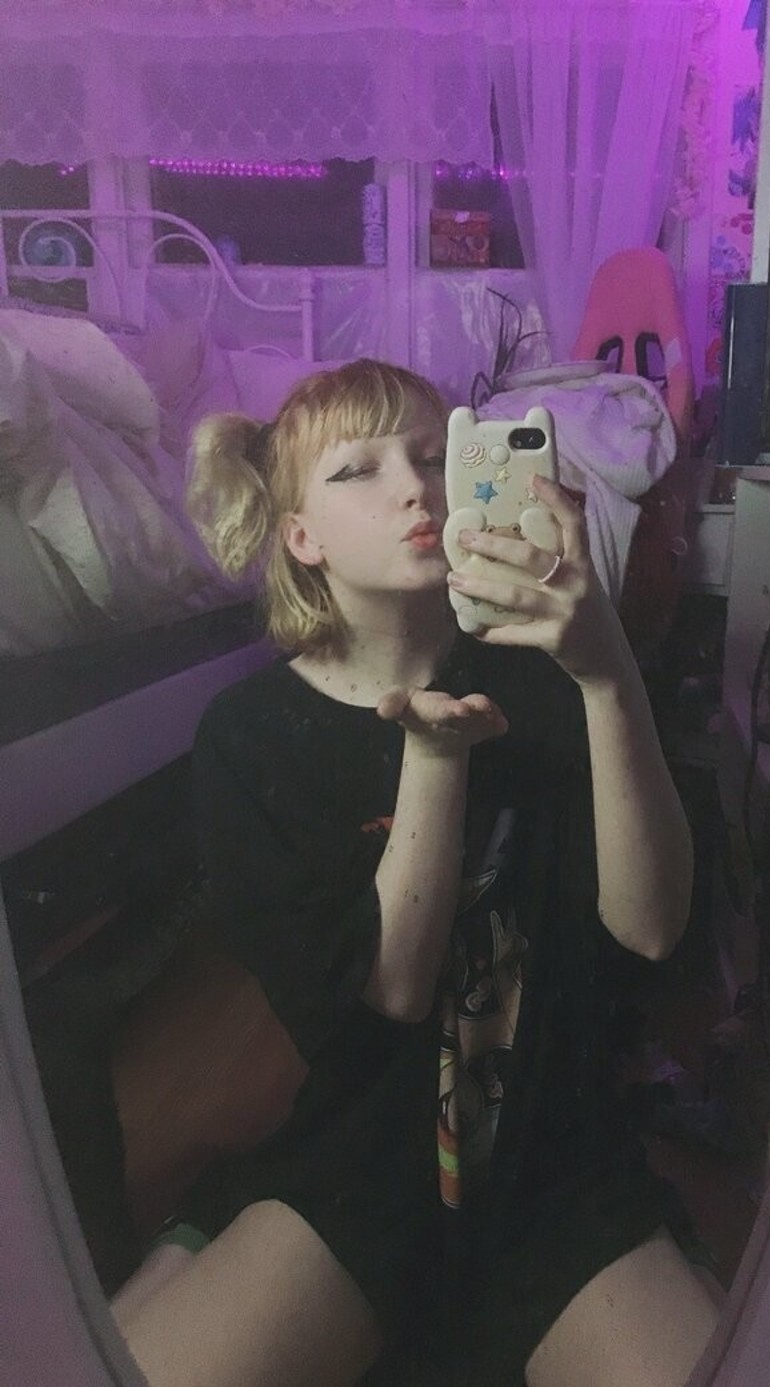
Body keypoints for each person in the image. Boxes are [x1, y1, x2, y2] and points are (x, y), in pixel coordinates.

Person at [109, 359, 721, 1387]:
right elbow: (388, 991)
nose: (415, 488)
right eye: (359, 469)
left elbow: (653, 928)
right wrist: (434, 761)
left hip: (561, 1168)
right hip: (359, 1164)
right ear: (301, 538)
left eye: (437, 457)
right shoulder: (252, 737)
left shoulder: (558, 678)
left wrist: (609, 667)